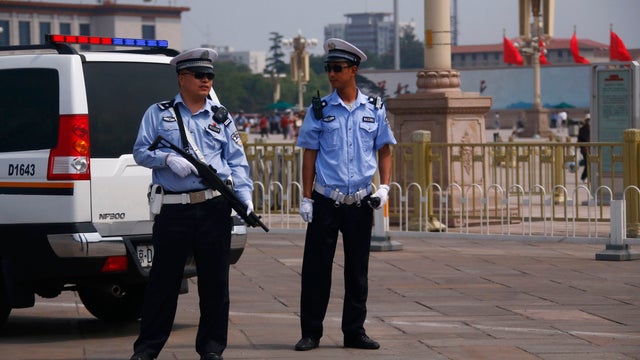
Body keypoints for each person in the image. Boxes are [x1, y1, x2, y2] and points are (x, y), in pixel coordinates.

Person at [130, 48, 253, 360]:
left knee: (215, 285)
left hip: (213, 208)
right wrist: (167, 159)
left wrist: (246, 197)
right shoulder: (158, 114)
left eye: (210, 75)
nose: (206, 80)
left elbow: (237, 163)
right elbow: (141, 151)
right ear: (182, 77)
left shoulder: (221, 116)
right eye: (199, 75)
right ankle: (147, 350)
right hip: (175, 209)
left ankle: (212, 349)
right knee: (163, 284)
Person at [294, 38, 397, 352]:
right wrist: (307, 197)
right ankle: (311, 332)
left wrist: (384, 186)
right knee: (316, 269)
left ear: (354, 70)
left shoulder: (375, 108)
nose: (332, 74)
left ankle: (354, 331)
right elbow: (309, 154)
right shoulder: (320, 109)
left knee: (357, 270)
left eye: (337, 68)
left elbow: (385, 149)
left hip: (360, 201)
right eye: (328, 68)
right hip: (327, 199)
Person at [577, 114, 590, 182]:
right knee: (587, 164)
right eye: (587, 120)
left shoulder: (594, 129)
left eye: (590, 120)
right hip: (585, 150)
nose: (589, 121)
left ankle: (588, 177)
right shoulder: (582, 129)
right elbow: (579, 140)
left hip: (593, 149)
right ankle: (583, 177)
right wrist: (583, 147)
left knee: (592, 164)